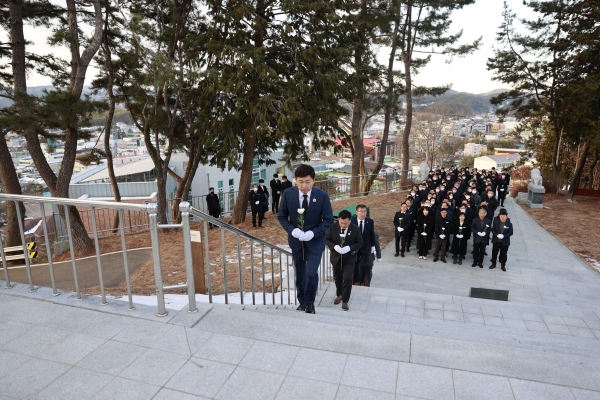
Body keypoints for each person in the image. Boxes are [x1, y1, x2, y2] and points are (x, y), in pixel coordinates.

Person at [278, 164, 334, 314]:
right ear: (295, 180)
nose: (304, 186)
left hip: (315, 242)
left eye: (307, 182)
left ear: (313, 180)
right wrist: (293, 230)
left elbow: (328, 219)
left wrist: (313, 233)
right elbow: (282, 217)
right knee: (301, 273)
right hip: (297, 241)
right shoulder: (288, 194)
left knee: (311, 273)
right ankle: (302, 301)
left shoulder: (322, 196)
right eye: (300, 181)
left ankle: (310, 303)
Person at [326, 210, 363, 310]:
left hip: (349, 258)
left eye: (345, 223)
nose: (343, 225)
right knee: (337, 277)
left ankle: (345, 300)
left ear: (350, 220)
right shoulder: (333, 227)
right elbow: (327, 239)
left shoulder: (355, 229)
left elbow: (360, 243)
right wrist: (334, 247)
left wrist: (349, 248)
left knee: (347, 278)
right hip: (336, 257)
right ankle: (339, 294)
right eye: (341, 223)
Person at [351, 204, 376, 286]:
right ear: (356, 212)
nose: (363, 213)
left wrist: (373, 246)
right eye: (361, 211)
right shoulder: (352, 221)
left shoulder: (370, 221)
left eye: (364, 211)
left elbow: (372, 234)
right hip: (356, 247)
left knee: (363, 265)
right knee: (355, 265)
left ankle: (362, 281)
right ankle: (356, 281)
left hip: (366, 246)